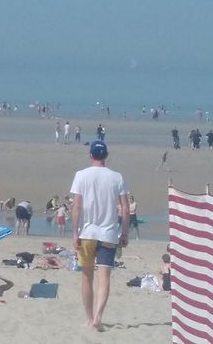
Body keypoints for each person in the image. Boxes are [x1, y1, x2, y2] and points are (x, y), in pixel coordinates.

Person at [71, 140, 129, 332]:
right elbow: (125, 208)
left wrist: (75, 232)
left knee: (87, 277)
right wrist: (125, 232)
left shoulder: (81, 175)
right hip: (108, 233)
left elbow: (77, 206)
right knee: (104, 277)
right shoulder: (117, 177)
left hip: (88, 233)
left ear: (90, 155)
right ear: (106, 156)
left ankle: (89, 318)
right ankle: (98, 317)